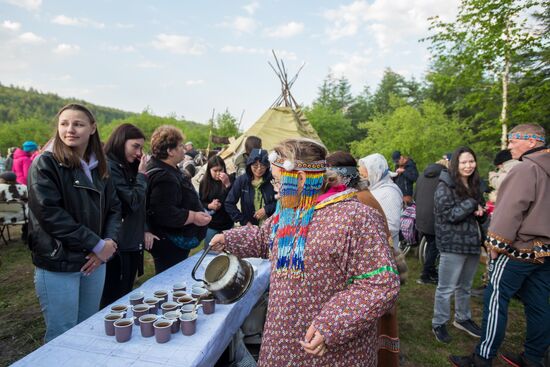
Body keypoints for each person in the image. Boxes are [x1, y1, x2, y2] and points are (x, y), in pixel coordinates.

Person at [210, 138, 400, 367]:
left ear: (300, 178)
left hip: (329, 353)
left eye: (279, 180)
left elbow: (380, 283)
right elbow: (265, 238)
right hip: (283, 339)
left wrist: (332, 324)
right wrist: (228, 238)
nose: (275, 186)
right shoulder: (291, 210)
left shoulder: (356, 218)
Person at [450, 124, 549, 367]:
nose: (509, 146)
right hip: (546, 251)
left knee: (496, 299)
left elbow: (510, 210)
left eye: (514, 140)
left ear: (532, 141)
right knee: (539, 304)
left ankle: (483, 357)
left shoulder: (526, 169)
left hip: (519, 249)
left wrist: (495, 243)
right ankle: (534, 357)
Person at [27, 103, 121, 342]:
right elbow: (50, 214)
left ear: (92, 128)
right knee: (63, 333)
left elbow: (114, 208)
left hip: (94, 261)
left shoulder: (101, 167)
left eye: (78, 124)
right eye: (64, 124)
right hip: (59, 262)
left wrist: (107, 243)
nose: (70, 129)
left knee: (88, 327)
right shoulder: (45, 164)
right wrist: (98, 245)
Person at [327, 151, 405, 367]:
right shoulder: (356, 197)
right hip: (359, 276)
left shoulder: (360, 201)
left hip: (368, 279)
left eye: (329, 178)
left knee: (369, 335)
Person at [431, 146, 486, 344]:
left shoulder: (475, 184)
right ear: (455, 164)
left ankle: (463, 319)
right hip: (452, 244)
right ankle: (439, 322)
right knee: (446, 288)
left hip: (471, 243)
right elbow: (449, 215)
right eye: (463, 162)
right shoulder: (445, 185)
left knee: (465, 287)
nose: (468, 165)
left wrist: (481, 211)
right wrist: (472, 204)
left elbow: (479, 210)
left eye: (471, 161)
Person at [100, 123, 158, 308]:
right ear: (120, 142)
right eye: (135, 146)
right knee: (113, 298)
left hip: (130, 241)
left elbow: (141, 204)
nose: (139, 152)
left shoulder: (126, 166)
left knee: (124, 293)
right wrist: (142, 175)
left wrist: (145, 228)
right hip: (118, 244)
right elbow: (132, 201)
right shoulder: (110, 166)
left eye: (141, 147)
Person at [145, 125, 211, 274]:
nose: (184, 149)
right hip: (170, 244)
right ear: (170, 151)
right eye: (180, 146)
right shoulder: (163, 176)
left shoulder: (168, 169)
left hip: (172, 242)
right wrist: (194, 217)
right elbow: (165, 213)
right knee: (169, 280)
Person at [413, 159, 448, 285]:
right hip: (435, 217)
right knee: (434, 247)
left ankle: (430, 271)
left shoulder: (422, 176)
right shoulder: (444, 178)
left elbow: (415, 196)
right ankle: (426, 274)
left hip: (421, 217)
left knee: (430, 244)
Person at [358, 153, 403, 250]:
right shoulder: (375, 189)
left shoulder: (389, 193)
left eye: (364, 175)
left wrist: (367, 236)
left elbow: (392, 227)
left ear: (375, 173)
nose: (362, 179)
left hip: (384, 250)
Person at [225, 148, 276, 226]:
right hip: (249, 226)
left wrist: (267, 209)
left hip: (270, 225)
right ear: (249, 164)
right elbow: (229, 203)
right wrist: (243, 221)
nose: (259, 169)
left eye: (263, 166)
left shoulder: (273, 180)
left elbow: (281, 202)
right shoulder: (241, 180)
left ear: (267, 166)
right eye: (255, 166)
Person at [199, 155, 234, 246]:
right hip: (212, 224)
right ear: (209, 170)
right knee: (209, 250)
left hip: (227, 223)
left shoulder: (230, 179)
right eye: (215, 171)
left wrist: (227, 185)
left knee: (229, 251)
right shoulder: (204, 182)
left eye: (220, 170)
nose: (218, 173)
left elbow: (233, 199)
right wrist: (210, 206)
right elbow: (201, 202)